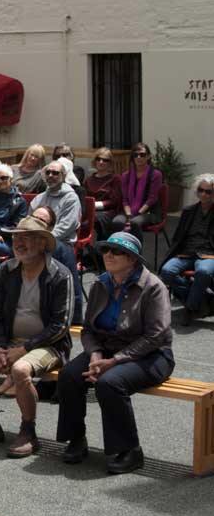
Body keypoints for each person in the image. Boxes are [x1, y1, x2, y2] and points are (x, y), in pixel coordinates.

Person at [56, 232, 174, 473]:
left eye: (117, 251)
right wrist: (96, 354)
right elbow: (89, 329)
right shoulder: (101, 283)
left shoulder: (154, 287)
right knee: (69, 374)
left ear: (132, 259)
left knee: (109, 383)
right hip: (107, 349)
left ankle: (130, 450)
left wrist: (115, 361)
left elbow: (156, 336)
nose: (109, 255)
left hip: (152, 355)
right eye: (106, 250)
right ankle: (76, 438)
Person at [0, 217, 73, 458]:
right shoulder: (6, 270)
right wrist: (0, 347)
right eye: (16, 238)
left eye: (27, 237)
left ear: (43, 243)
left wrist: (24, 349)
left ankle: (28, 432)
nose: (19, 243)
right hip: (9, 341)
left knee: (20, 370)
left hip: (48, 344)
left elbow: (60, 325)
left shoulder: (60, 275)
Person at [159, 174, 214, 321]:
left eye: (209, 191)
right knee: (166, 271)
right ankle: (202, 297)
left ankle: (190, 308)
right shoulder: (189, 211)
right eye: (201, 190)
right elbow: (178, 236)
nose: (204, 194)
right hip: (186, 252)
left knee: (203, 272)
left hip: (208, 254)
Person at [28, 204, 85, 325]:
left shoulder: (61, 252)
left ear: (50, 228)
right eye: (33, 218)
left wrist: (75, 322)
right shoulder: (19, 246)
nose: (35, 222)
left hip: (49, 315)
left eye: (41, 220)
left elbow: (74, 289)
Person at [111, 142, 164, 239]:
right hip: (129, 211)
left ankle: (135, 251)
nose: (139, 157)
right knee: (117, 222)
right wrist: (128, 213)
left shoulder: (156, 174)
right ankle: (119, 250)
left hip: (149, 212)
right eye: (135, 155)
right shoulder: (126, 175)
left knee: (134, 223)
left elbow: (152, 199)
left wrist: (137, 213)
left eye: (142, 155)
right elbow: (125, 199)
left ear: (148, 157)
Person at [30, 162, 82, 246]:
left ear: (63, 176)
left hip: (62, 243)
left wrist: (43, 240)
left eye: (55, 173)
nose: (50, 175)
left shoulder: (71, 199)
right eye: (48, 172)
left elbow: (65, 228)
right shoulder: (38, 198)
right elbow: (29, 222)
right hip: (36, 242)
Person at [84, 147, 122, 242]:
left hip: (108, 212)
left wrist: (96, 205)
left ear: (110, 163)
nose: (101, 162)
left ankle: (101, 249)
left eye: (105, 160)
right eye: (98, 159)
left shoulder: (115, 179)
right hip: (90, 211)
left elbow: (115, 201)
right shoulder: (88, 180)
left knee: (95, 219)